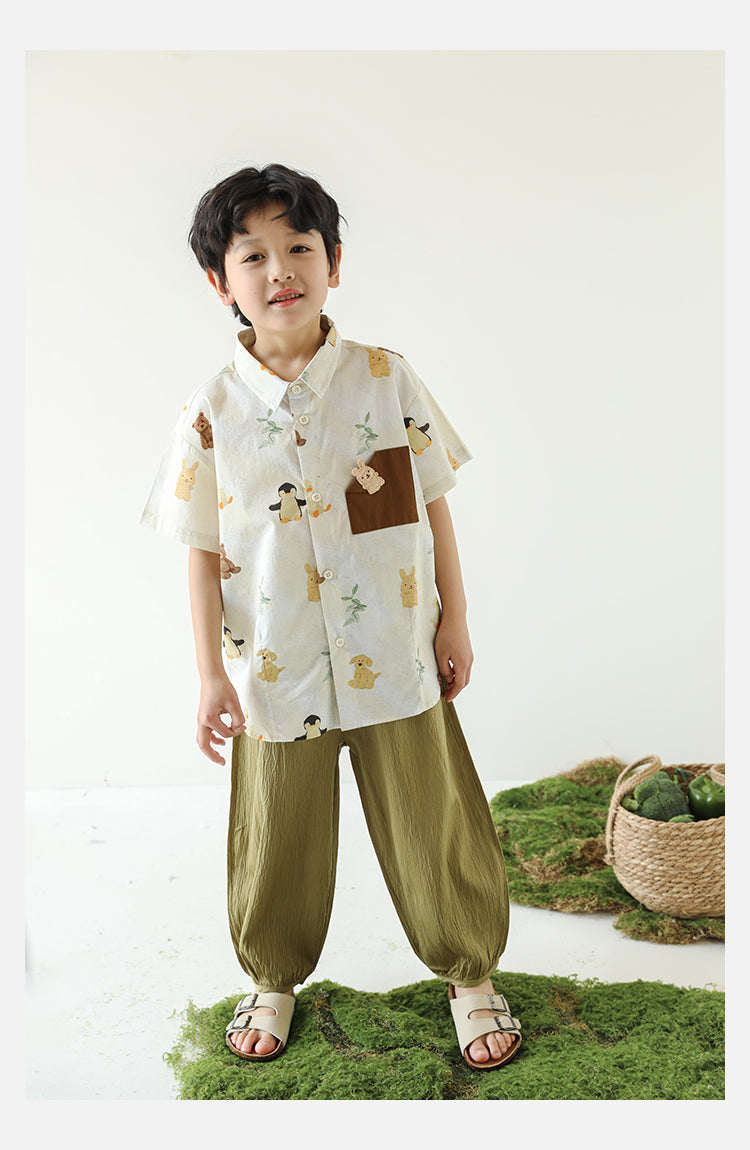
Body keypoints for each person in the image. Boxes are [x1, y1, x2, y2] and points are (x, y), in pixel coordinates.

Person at [140, 163, 521, 1071]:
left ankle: (471, 975)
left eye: (300, 247)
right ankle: (273, 977)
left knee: (433, 820)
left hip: (395, 651)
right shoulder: (210, 411)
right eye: (253, 255)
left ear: (334, 263)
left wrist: (455, 619)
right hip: (276, 669)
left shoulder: (386, 378)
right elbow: (199, 551)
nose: (281, 270)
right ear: (221, 284)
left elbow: (431, 504)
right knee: (276, 833)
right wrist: (209, 675)